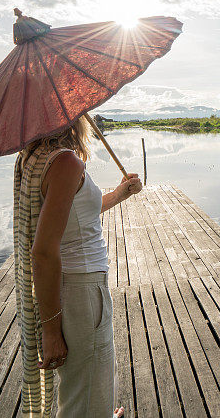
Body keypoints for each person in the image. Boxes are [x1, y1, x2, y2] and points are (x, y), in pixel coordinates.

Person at [16, 116, 140, 417]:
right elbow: (43, 252)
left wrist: (120, 193)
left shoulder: (33, 157)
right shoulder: (66, 162)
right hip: (82, 293)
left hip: (72, 288)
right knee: (85, 392)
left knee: (83, 385)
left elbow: (71, 213)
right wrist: (51, 330)